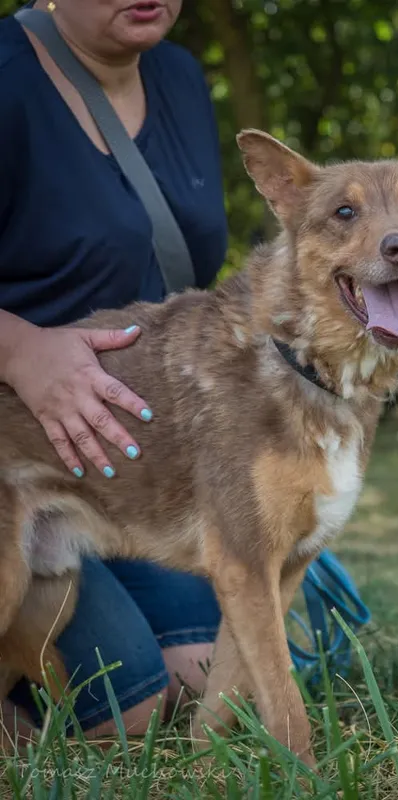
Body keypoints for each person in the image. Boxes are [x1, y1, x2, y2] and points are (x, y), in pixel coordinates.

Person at [0, 0, 227, 739]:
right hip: (15, 454)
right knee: (117, 709)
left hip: (127, 466)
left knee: (202, 677)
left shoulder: (181, 77)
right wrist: (19, 349)